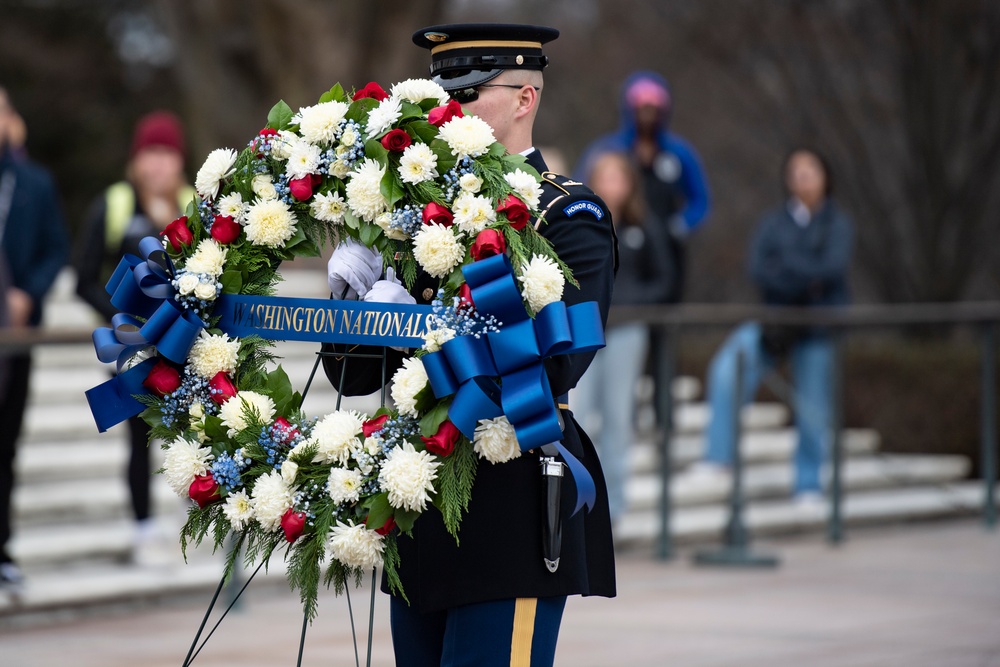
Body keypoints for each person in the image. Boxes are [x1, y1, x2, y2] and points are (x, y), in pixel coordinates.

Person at [324, 24, 618, 667]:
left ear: (524, 98)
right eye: (441, 96)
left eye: (471, 92)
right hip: (419, 504)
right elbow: (351, 377)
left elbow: (558, 359)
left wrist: (425, 328)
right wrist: (352, 302)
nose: (451, 111)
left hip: (508, 502)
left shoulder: (568, 218)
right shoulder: (416, 221)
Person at [686, 147, 853, 505]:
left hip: (818, 328)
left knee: (813, 406)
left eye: (811, 169)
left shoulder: (837, 224)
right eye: (796, 170)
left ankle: (808, 484)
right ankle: (719, 457)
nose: (803, 176)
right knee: (728, 368)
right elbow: (760, 270)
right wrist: (807, 276)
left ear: (825, 176)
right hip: (774, 321)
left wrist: (792, 268)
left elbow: (833, 269)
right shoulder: (773, 223)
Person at [74, 111, 195, 565]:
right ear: (137, 160)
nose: (159, 164)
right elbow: (84, 278)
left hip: (182, 340)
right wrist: (122, 320)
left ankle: (195, 512)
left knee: (191, 425)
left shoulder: (191, 204)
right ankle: (143, 528)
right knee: (140, 433)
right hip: (130, 345)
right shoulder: (115, 206)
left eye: (167, 154)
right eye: (151, 153)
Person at [571, 151, 672, 526]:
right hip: (585, 330)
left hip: (627, 332)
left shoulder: (644, 226)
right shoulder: (578, 222)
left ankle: (613, 511)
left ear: (629, 184)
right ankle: (576, 501)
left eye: (618, 177)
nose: (611, 185)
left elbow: (664, 279)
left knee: (617, 417)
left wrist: (627, 303)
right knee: (578, 415)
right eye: (604, 176)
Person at [0, 86, 71, 592]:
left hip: (13, 337)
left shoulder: (33, 183)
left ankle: (1, 548)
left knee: (4, 445)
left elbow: (55, 249)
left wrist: (29, 292)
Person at [574, 70, 709, 304]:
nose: (647, 116)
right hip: (621, 240)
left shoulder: (679, 154)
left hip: (666, 247)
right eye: (641, 109)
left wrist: (678, 227)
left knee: (665, 305)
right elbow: (579, 188)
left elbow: (701, 200)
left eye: (653, 109)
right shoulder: (610, 149)